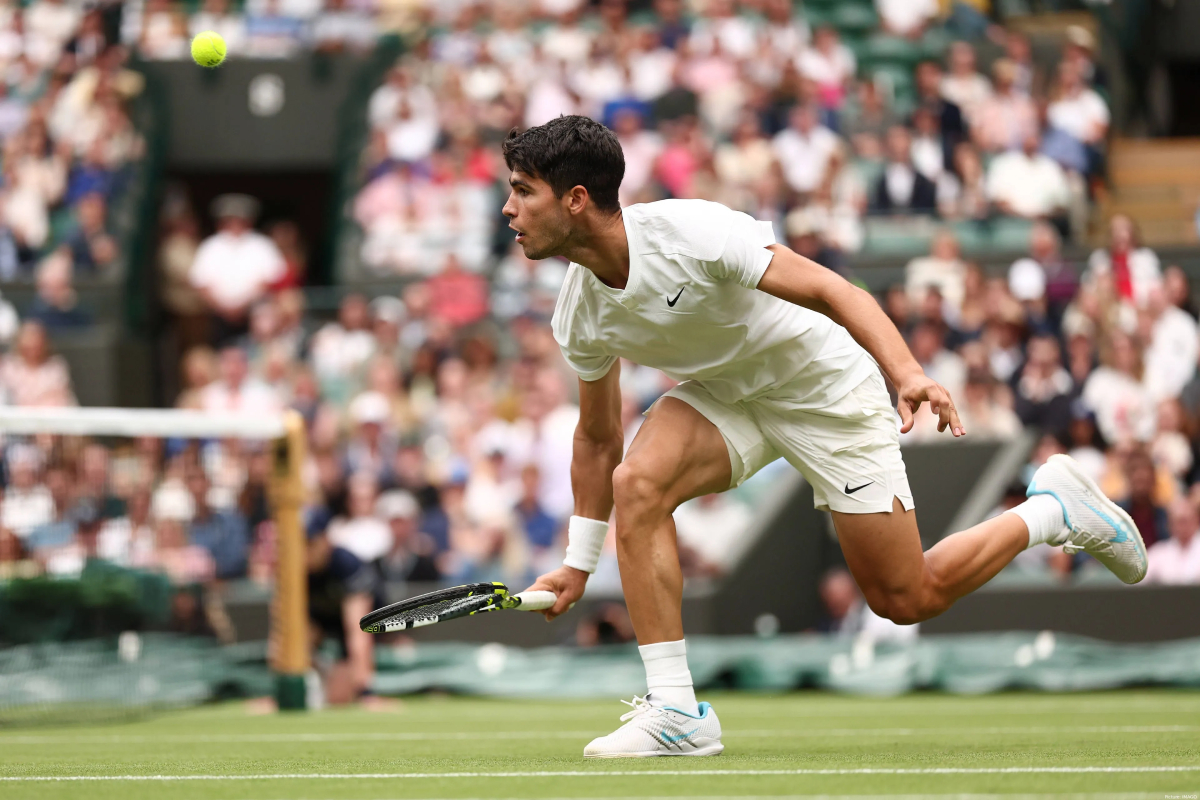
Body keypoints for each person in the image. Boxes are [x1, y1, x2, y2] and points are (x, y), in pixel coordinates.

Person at [503, 116, 1146, 759]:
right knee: (636, 484)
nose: (509, 209)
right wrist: (579, 561)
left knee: (906, 596)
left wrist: (909, 373)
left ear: (576, 200)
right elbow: (596, 437)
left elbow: (835, 291)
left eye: (524, 191)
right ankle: (676, 710)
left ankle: (1051, 511)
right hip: (728, 395)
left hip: (824, 390)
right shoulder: (578, 311)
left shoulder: (689, 232)